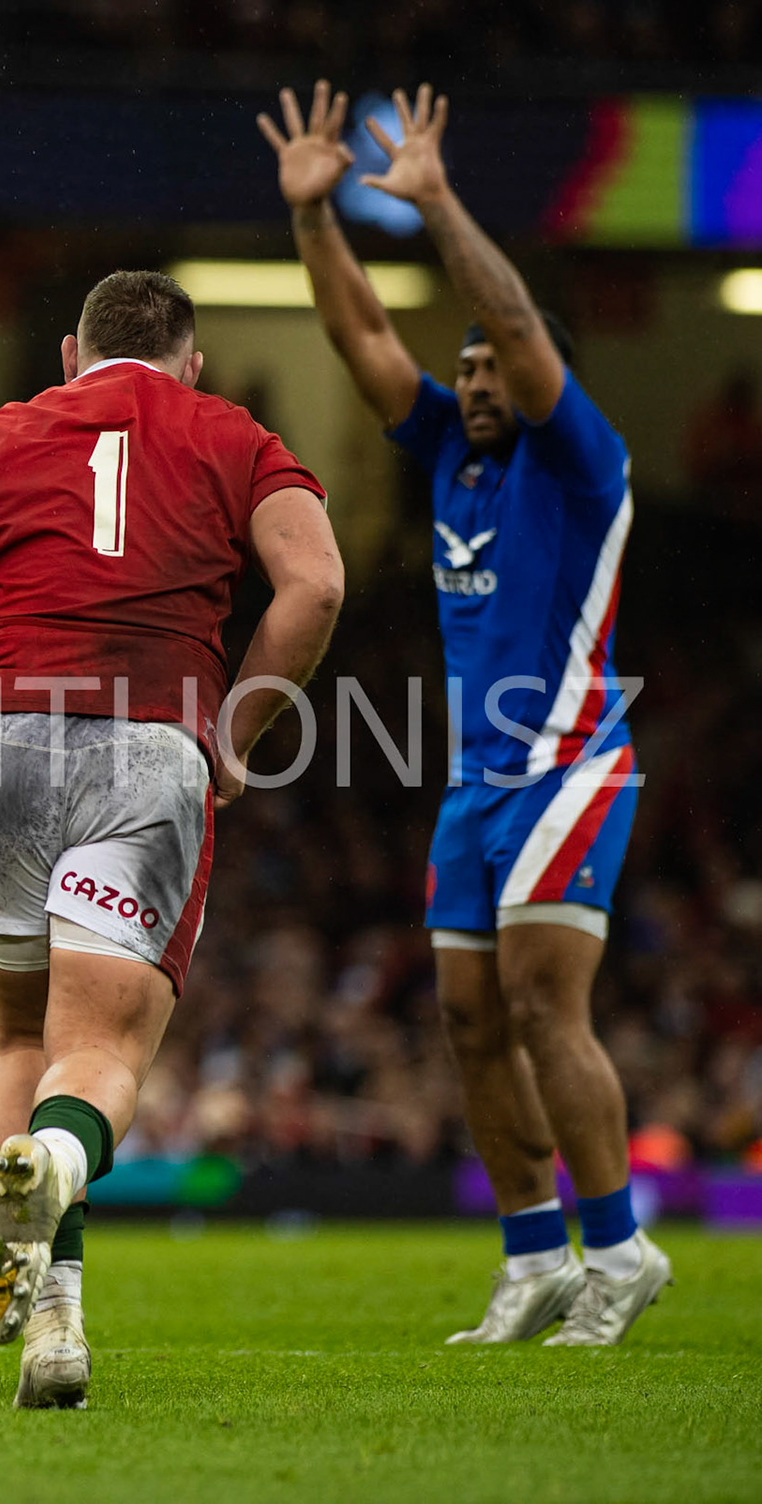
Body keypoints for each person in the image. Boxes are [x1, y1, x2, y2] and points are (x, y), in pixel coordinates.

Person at [0, 271, 344, 1407]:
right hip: (151, 743)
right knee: (102, 1056)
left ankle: (56, 1326)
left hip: (7, 736)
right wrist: (239, 727)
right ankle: (65, 1160)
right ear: (192, 361)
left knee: (19, 1044)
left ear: (73, 353)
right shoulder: (236, 435)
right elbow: (314, 583)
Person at [261, 81, 671, 1345]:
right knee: (465, 1018)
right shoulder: (450, 447)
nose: (476, 374)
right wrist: (316, 220)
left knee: (551, 1005)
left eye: (496, 360)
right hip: (477, 779)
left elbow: (508, 318)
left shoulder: (579, 456)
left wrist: (437, 202)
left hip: (574, 762)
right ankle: (534, 1254)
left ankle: (621, 1248)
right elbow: (362, 338)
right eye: (468, 365)